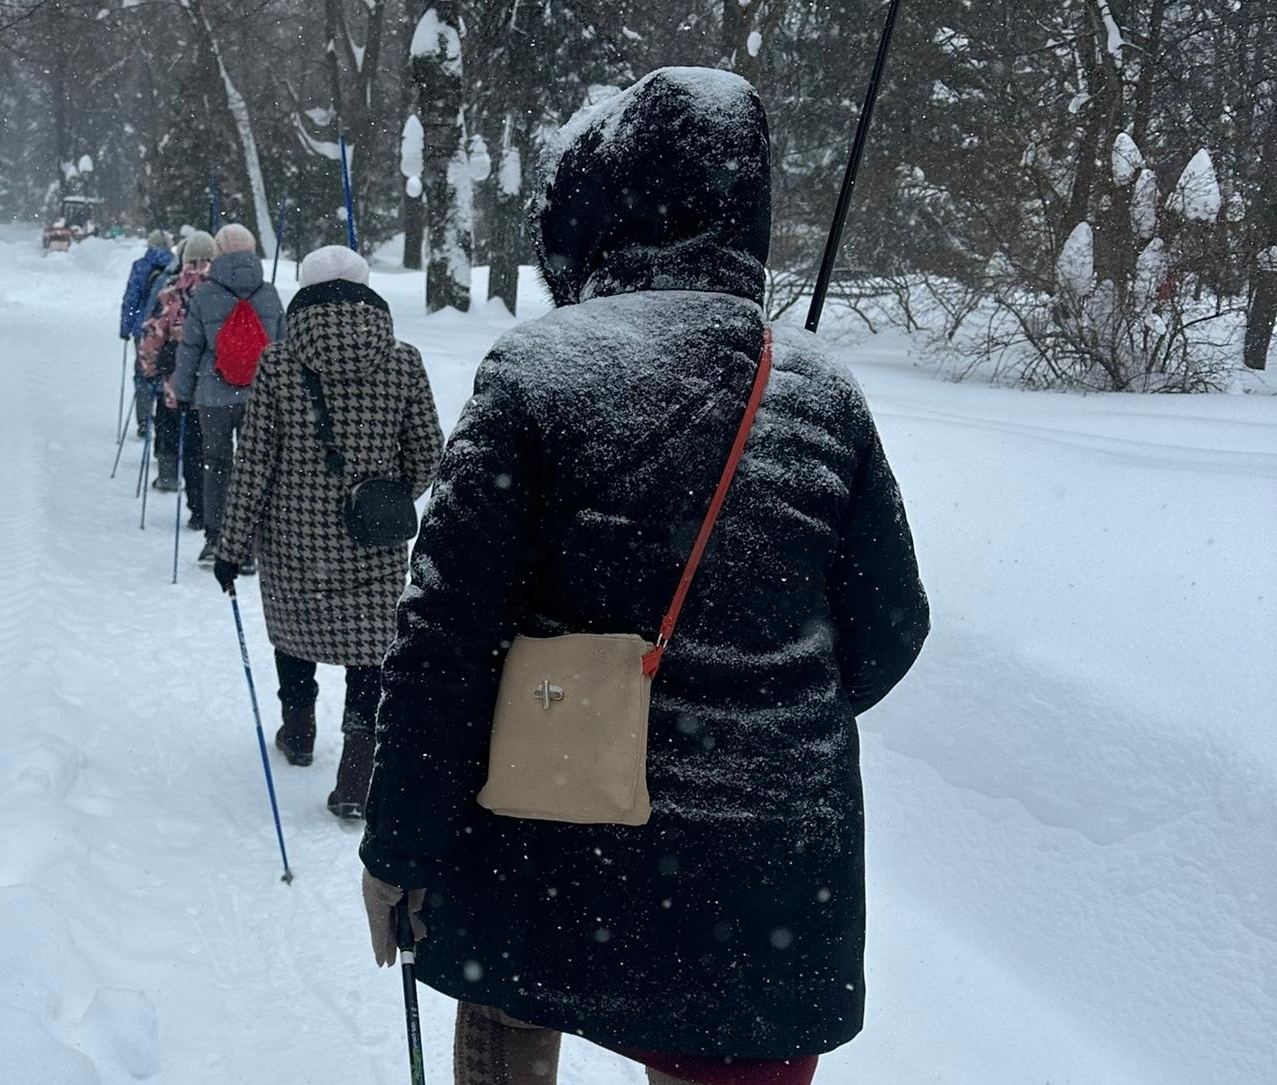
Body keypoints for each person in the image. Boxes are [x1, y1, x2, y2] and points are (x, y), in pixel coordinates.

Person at [358, 68, 931, 1085]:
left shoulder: (534, 374)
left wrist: (399, 846)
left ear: (605, 202)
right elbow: (888, 629)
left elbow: (441, 639)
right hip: (764, 893)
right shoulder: (822, 394)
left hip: (548, 850)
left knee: (504, 1017)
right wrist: (754, 709)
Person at [210, 246, 442, 818]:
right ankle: (357, 777)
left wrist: (230, 544)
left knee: (296, 637)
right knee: (368, 653)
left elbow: (254, 464)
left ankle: (299, 731)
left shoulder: (279, 363)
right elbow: (430, 455)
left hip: (293, 538)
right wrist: (384, 496)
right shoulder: (402, 361)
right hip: (374, 543)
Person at [172, 223, 285, 564]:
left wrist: (183, 390)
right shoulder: (269, 294)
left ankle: (216, 538)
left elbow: (190, 347)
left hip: (213, 395)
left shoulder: (205, 295)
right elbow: (282, 348)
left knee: (217, 463)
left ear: (218, 253)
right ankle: (248, 545)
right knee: (253, 467)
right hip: (259, 397)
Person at [141, 230, 216, 515]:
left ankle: (185, 491)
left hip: (177, 381)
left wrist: (150, 368)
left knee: (180, 436)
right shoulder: (226, 293)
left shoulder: (171, 294)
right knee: (212, 448)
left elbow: (152, 335)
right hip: (218, 384)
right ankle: (210, 510)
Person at [119, 229, 174, 438]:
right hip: (166, 328)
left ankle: (144, 420)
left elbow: (131, 299)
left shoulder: (141, 266)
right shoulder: (175, 266)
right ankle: (163, 416)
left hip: (143, 329)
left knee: (143, 374)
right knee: (164, 372)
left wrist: (126, 328)